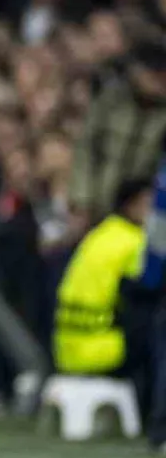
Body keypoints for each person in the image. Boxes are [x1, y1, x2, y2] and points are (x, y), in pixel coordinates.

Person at [53, 178, 156, 415]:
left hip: (66, 347)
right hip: (104, 349)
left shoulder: (100, 233)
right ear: (132, 206)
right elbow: (146, 290)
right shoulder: (134, 241)